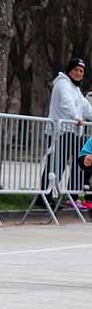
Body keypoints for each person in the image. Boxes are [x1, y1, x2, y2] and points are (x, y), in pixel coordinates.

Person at [46, 57, 92, 203]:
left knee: (81, 162)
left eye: (81, 71)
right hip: (60, 132)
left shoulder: (75, 88)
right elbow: (67, 103)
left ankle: (73, 196)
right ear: (69, 71)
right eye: (76, 70)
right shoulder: (63, 84)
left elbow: (86, 107)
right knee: (56, 165)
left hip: (73, 133)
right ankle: (45, 196)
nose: (79, 73)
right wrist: (76, 117)